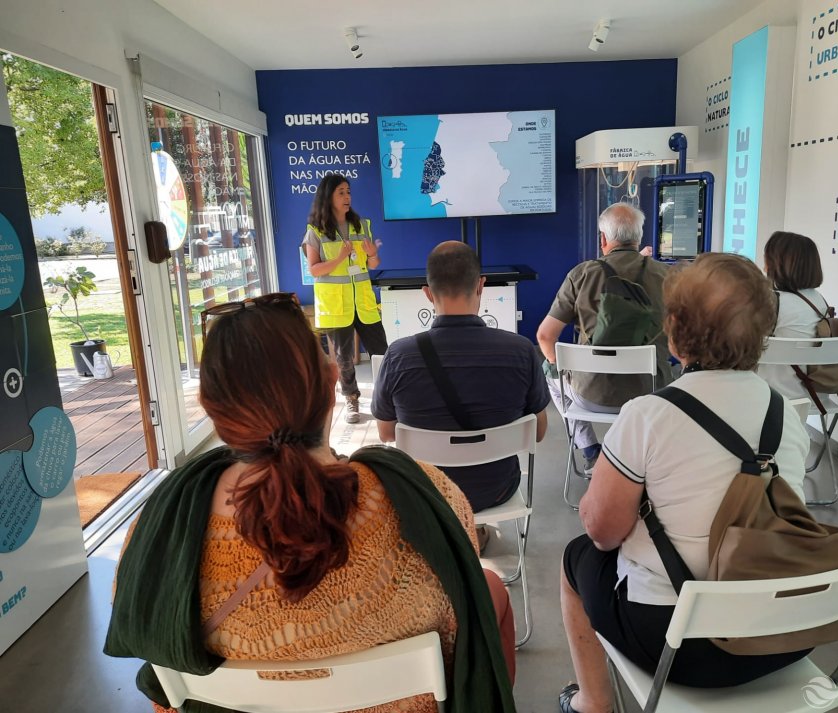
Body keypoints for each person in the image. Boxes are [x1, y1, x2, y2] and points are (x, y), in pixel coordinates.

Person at [105, 292, 517, 713]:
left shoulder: (159, 528)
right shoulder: (427, 494)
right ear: (332, 380)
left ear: (213, 409)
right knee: (490, 587)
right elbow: (459, 630)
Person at [558, 253, 811, 713]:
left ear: (673, 331)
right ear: (762, 334)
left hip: (677, 643)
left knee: (576, 557)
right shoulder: (786, 415)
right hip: (782, 631)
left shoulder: (647, 415)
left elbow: (602, 532)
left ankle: (592, 702)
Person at [372, 241, 549, 523]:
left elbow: (386, 433)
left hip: (427, 490)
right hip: (497, 489)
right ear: (481, 286)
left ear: (428, 294)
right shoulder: (522, 351)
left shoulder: (399, 356)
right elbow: (537, 431)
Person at [536, 202, 671, 473]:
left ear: (603, 239)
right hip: (652, 393)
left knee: (551, 375)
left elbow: (545, 336)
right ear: (639, 237)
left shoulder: (581, 274)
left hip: (591, 395)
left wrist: (557, 366)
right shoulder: (666, 276)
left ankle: (590, 451)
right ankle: (645, 458)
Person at [302, 173, 388, 424]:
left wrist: (372, 254)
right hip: (336, 305)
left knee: (381, 353)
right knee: (344, 359)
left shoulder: (361, 225)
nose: (347, 196)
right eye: (341, 192)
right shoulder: (315, 231)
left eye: (348, 191)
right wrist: (340, 257)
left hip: (363, 303)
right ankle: (351, 399)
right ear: (327, 196)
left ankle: (387, 397)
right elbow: (314, 270)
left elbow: (373, 265)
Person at [757, 231, 831, 401]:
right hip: (815, 398)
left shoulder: (774, 303)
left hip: (772, 397)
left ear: (776, 263)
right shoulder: (820, 301)